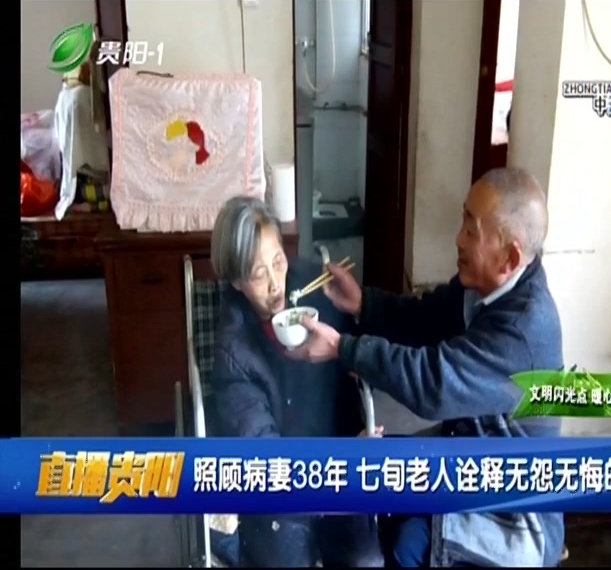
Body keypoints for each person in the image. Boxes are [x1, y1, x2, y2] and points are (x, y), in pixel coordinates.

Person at [287, 168, 565, 567]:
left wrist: (342, 348)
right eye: (463, 219)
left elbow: (434, 383)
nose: (458, 239)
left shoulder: (524, 329)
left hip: (514, 508)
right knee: (367, 467)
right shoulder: (485, 287)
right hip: (466, 457)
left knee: (409, 543)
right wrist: (364, 303)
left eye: (472, 230)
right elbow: (426, 317)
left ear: (510, 257)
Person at [209, 196, 383, 567]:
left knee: (366, 560)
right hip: (281, 492)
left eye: (278, 261)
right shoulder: (233, 353)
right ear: (236, 281)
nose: (276, 284)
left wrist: (354, 349)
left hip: (339, 458)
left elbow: (360, 343)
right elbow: (265, 460)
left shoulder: (311, 286)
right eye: (258, 274)